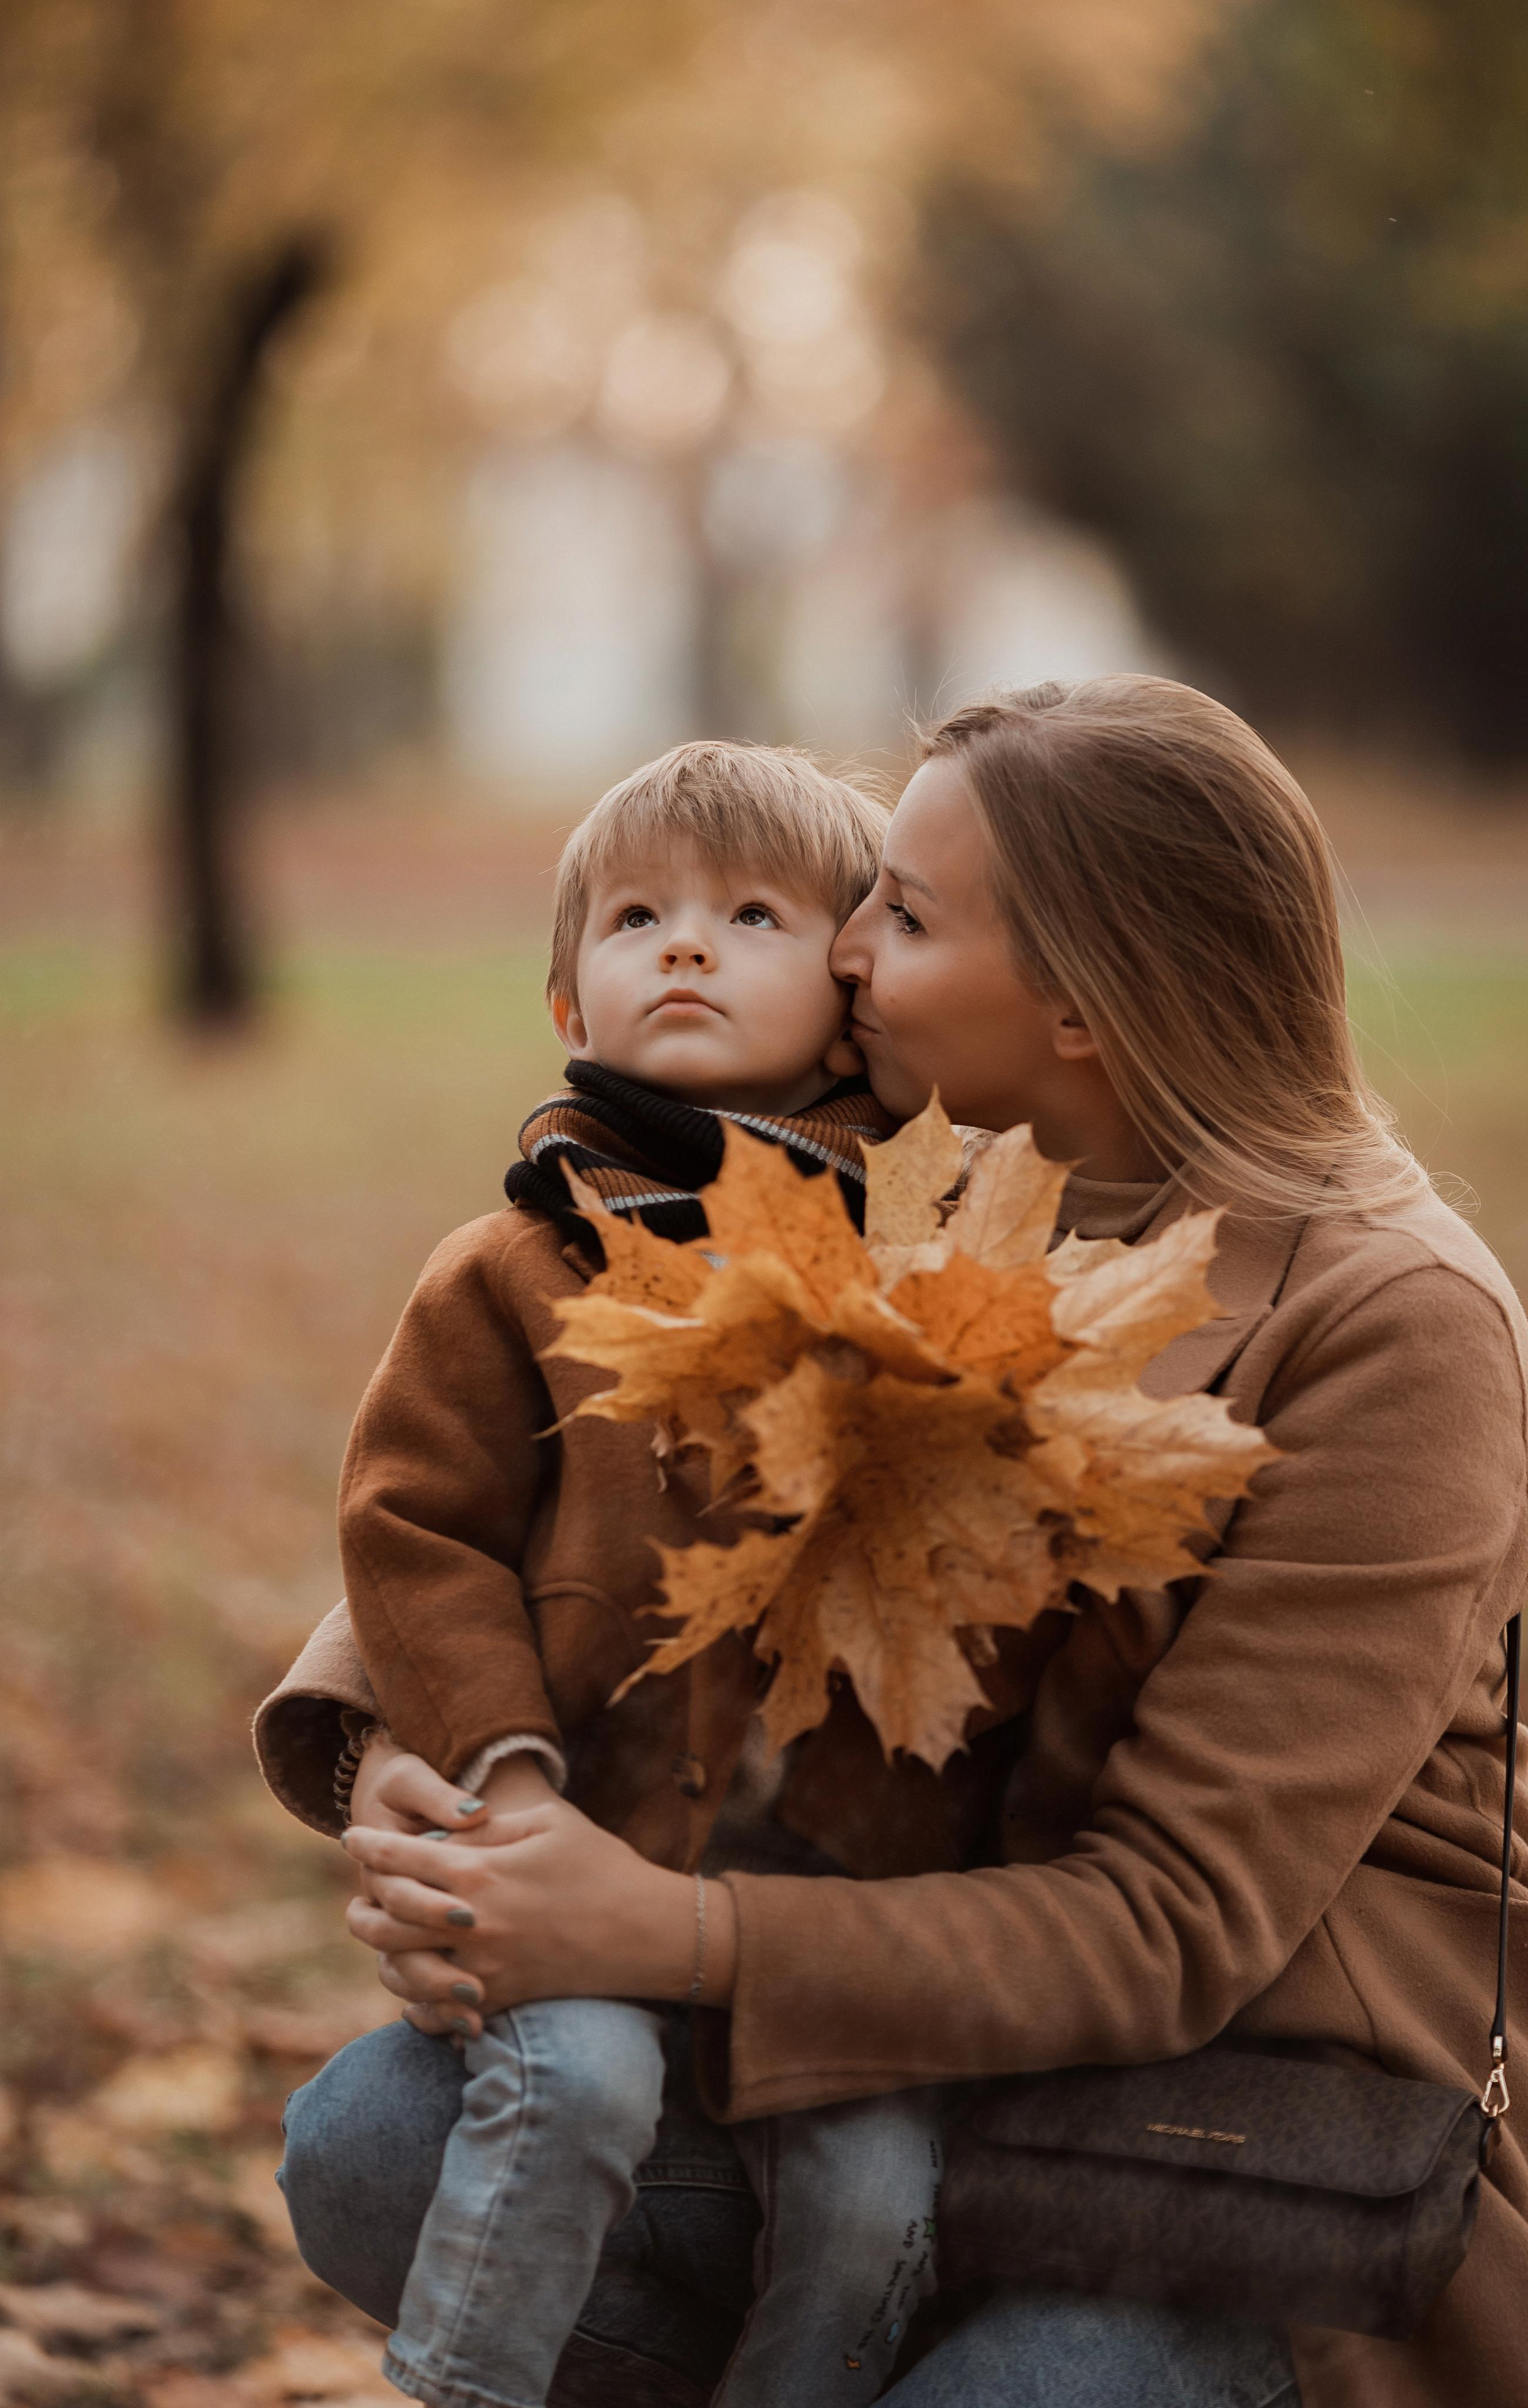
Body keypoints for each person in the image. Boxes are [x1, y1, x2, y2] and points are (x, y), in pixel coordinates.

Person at [260, 679, 1528, 2408]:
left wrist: (651, 1932)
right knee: (381, 2140)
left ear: (1080, 1002)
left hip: (1234, 2137)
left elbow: (1172, 1924)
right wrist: (407, 1759)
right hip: (891, 2058)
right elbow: (576, 1495)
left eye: (899, 912)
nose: (837, 958)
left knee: (1026, 2391)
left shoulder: (1394, 1323)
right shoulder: (912, 1180)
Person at [297, 737, 947, 2408]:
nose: (684, 944)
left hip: (836, 1893)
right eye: (638, 914)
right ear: (566, 1003)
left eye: (752, 914)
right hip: (584, 1839)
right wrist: (498, 1771)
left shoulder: (939, 1254)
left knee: (871, 2187)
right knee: (571, 2087)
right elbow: (414, 1527)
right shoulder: (514, 1265)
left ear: (857, 987)